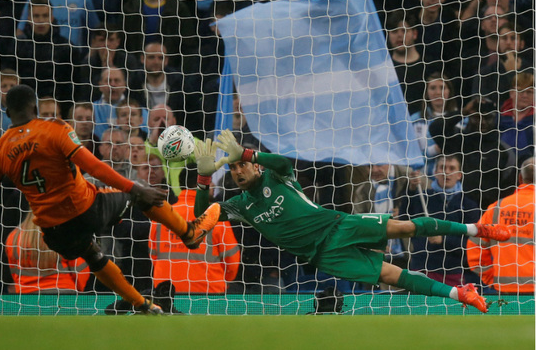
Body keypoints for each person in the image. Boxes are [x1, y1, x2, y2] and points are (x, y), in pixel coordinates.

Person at [0, 85, 221, 314]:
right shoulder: (54, 128)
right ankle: (189, 232)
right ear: (36, 108)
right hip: (87, 207)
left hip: (54, 231)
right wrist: (135, 188)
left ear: (6, 113)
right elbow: (94, 167)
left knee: (93, 255)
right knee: (141, 199)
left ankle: (141, 304)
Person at [192, 129, 514, 313]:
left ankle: (477, 229)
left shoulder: (277, 177)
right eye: (232, 171)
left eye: (241, 168)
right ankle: (462, 294)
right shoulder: (238, 205)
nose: (237, 173)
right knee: (391, 274)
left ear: (254, 168)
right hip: (323, 255)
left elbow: (278, 160)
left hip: (337, 224)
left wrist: (248, 154)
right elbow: (200, 215)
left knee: (402, 227)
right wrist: (205, 177)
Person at [149, 165, 240, 293]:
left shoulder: (161, 215)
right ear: (203, 184)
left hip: (166, 293)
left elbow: (153, 256)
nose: (213, 185)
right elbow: (232, 261)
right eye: (211, 181)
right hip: (209, 293)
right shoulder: (216, 217)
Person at [400, 155, 481, 286]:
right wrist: (411, 190)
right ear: (435, 172)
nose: (446, 172)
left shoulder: (468, 205)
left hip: (453, 271)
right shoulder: (421, 196)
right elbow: (403, 220)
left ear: (459, 175)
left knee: (452, 307)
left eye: (452, 168)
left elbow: (472, 243)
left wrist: (444, 240)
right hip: (422, 267)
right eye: (442, 167)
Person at [467, 157, 536, 294]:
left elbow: (475, 245)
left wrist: (491, 277)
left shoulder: (497, 208)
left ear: (520, 178)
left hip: (504, 288)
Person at [5, 213, 90, 294]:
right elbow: (80, 269)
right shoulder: (65, 233)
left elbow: (14, 272)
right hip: (64, 293)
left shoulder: (14, 237)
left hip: (26, 296)